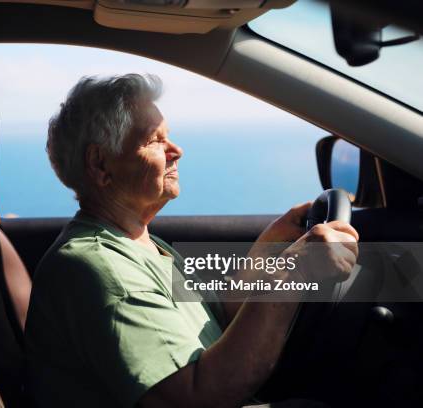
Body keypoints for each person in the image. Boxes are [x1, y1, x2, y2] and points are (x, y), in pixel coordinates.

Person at [24, 74, 359, 408]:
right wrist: (295, 273)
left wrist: (271, 247)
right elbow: (200, 396)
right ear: (100, 163)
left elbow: (215, 321)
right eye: (154, 140)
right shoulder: (99, 269)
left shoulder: (138, 243)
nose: (177, 150)